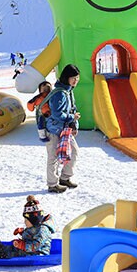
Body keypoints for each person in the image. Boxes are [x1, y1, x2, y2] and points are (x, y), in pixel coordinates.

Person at [44, 64, 80, 193]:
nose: (76, 80)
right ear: (66, 78)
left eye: (77, 77)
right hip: (53, 129)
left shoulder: (69, 91)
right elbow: (57, 114)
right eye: (73, 78)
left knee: (74, 152)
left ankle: (65, 177)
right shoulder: (59, 94)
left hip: (64, 130)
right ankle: (52, 184)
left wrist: (74, 124)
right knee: (53, 157)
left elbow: (72, 109)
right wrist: (72, 117)